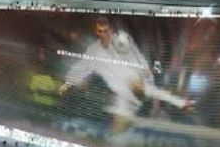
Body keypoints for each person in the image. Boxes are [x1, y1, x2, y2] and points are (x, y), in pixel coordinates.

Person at [59, 17, 192, 133]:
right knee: (117, 129)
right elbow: (80, 67)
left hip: (130, 93)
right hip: (120, 95)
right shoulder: (94, 50)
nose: (103, 34)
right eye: (100, 31)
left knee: (124, 117)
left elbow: (159, 92)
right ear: (97, 32)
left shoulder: (122, 43)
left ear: (110, 30)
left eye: (106, 30)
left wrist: (181, 103)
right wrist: (71, 82)